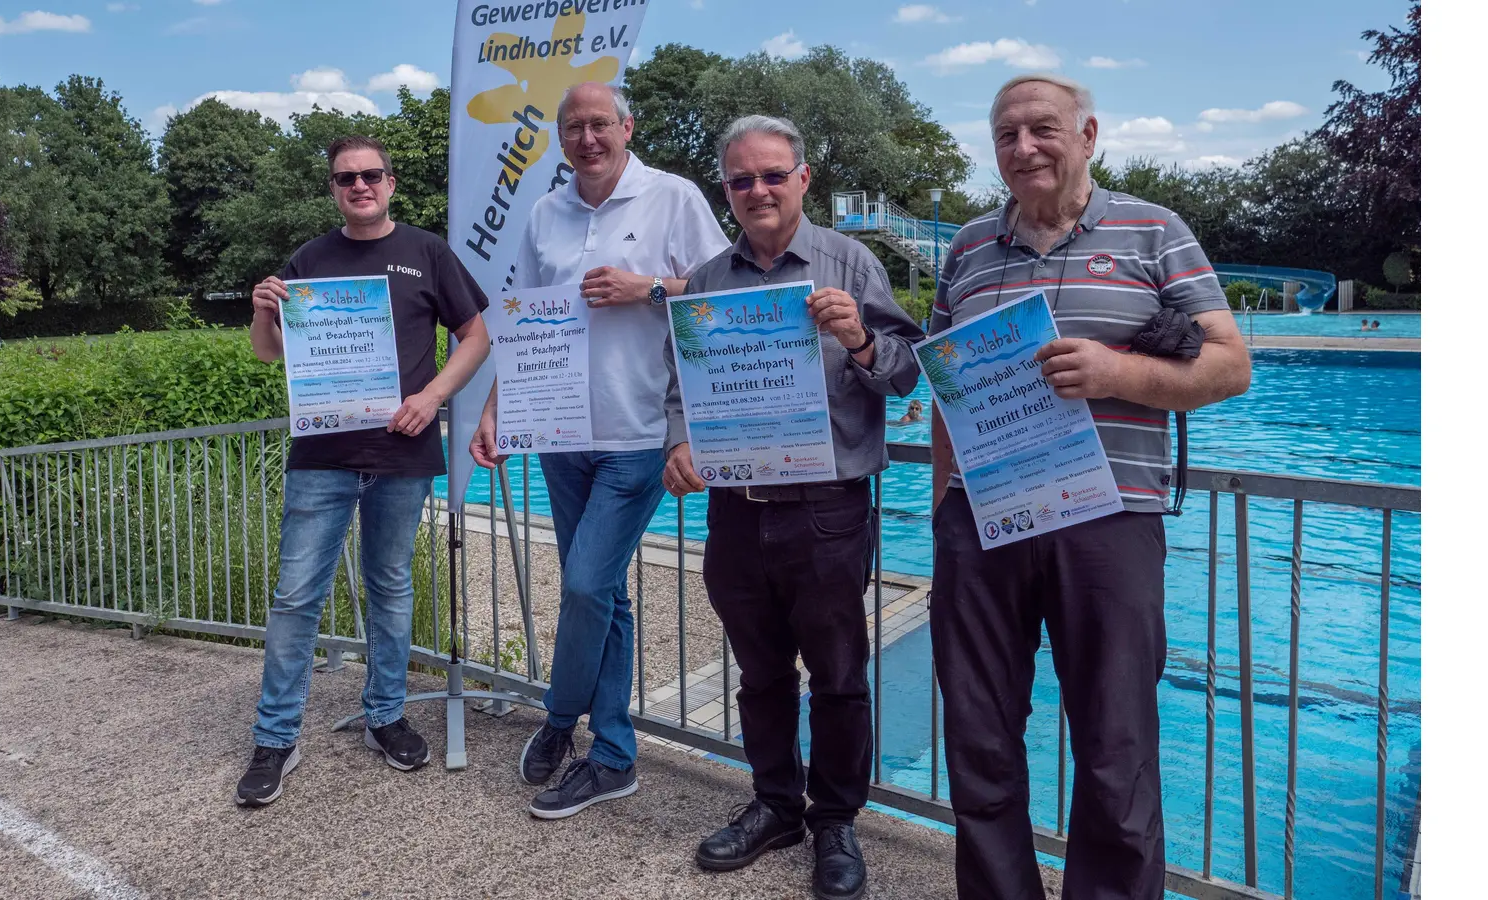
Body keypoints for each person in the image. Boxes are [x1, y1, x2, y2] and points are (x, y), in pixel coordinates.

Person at [928, 74, 1252, 899]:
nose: (1023, 147)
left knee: (1116, 750)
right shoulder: (966, 249)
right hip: (984, 519)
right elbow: (945, 385)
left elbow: (1230, 365)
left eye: (1042, 129)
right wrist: (941, 506)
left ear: (1087, 135)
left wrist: (1118, 370)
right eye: (1006, 134)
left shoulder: (1154, 232)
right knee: (979, 739)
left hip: (1109, 521)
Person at [661, 115, 924, 900]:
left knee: (839, 675)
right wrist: (678, 440)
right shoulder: (707, 281)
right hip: (737, 510)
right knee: (760, 671)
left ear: (803, 178)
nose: (758, 191)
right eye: (741, 180)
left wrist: (863, 343)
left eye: (773, 175)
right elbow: (682, 382)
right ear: (727, 192)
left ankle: (836, 821)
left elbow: (911, 372)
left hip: (828, 509)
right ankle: (776, 803)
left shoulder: (852, 262)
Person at [467, 82, 729, 820]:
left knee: (585, 584)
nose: (587, 138)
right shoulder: (546, 212)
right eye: (573, 127)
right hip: (559, 433)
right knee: (606, 593)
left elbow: (723, 294)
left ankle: (560, 715)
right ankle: (610, 751)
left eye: (599, 124)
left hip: (639, 432)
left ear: (626, 127)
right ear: (560, 137)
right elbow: (523, 322)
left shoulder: (672, 198)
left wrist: (649, 288)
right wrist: (496, 409)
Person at [235, 136, 491, 807]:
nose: (359, 185)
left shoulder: (426, 252)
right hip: (321, 457)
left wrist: (433, 398)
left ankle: (386, 717)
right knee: (296, 598)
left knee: (391, 588)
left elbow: (477, 337)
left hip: (403, 455)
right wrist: (264, 312)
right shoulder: (309, 260)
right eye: (345, 178)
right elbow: (269, 355)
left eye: (370, 175)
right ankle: (275, 738)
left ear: (391, 183)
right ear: (333, 189)